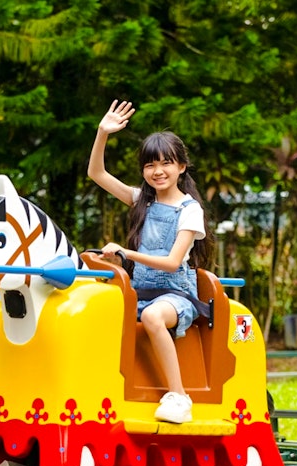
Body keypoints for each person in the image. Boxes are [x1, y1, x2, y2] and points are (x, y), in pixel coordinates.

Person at [87, 100, 214, 424]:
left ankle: (178, 396)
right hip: (138, 292)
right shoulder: (140, 200)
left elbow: (172, 262)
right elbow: (96, 173)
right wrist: (103, 132)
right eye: (150, 165)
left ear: (181, 167)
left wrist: (126, 254)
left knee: (154, 316)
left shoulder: (189, 210)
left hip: (176, 296)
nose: (158, 171)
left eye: (166, 163)